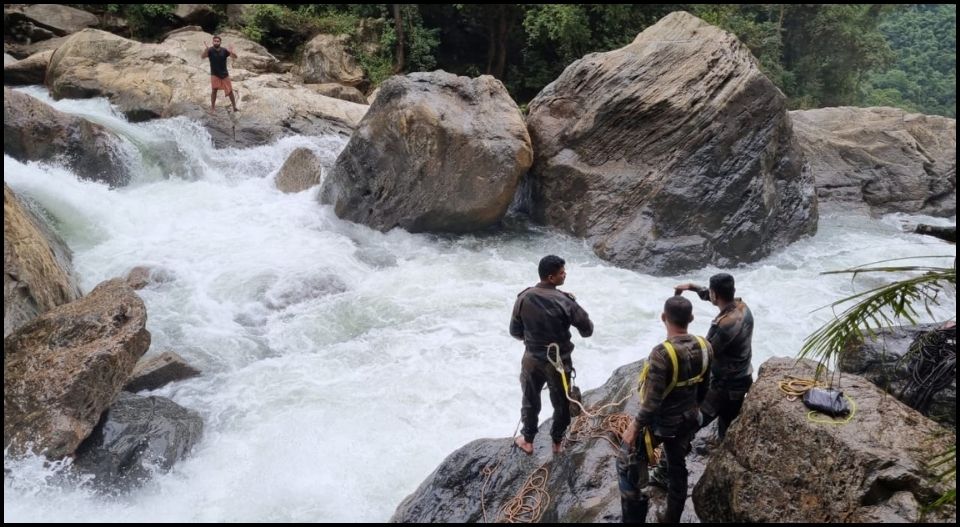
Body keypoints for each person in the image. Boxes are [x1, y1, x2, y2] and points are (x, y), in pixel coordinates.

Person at [618, 296, 711, 523]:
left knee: (625, 462)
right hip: (689, 419)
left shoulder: (661, 353)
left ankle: (633, 517)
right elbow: (705, 387)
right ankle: (672, 518)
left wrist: (634, 426)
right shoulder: (705, 345)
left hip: (662, 424)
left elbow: (652, 402)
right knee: (677, 466)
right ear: (691, 318)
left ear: (663, 318)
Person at [510, 255, 593, 455]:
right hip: (557, 361)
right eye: (562, 273)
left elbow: (514, 331)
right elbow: (587, 330)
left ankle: (528, 440)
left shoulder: (524, 297)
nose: (565, 275)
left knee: (530, 398)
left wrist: (531, 339)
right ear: (551, 277)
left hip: (531, 358)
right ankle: (557, 442)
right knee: (562, 402)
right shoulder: (566, 301)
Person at [674, 273, 753, 440]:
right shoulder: (742, 306)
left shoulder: (723, 325)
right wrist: (691, 286)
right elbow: (716, 298)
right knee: (727, 424)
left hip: (724, 386)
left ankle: (672, 462)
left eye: (711, 292)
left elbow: (704, 354)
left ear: (715, 294)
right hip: (743, 378)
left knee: (693, 421)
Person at [201, 35, 238, 113]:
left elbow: (235, 57)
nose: (216, 42)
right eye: (215, 41)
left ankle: (234, 107)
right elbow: (203, 57)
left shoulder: (224, 50)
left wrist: (232, 51)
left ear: (220, 42)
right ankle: (213, 108)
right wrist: (206, 50)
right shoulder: (210, 50)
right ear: (213, 42)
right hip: (214, 74)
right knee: (214, 91)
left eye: (218, 41)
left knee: (230, 91)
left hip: (224, 74)